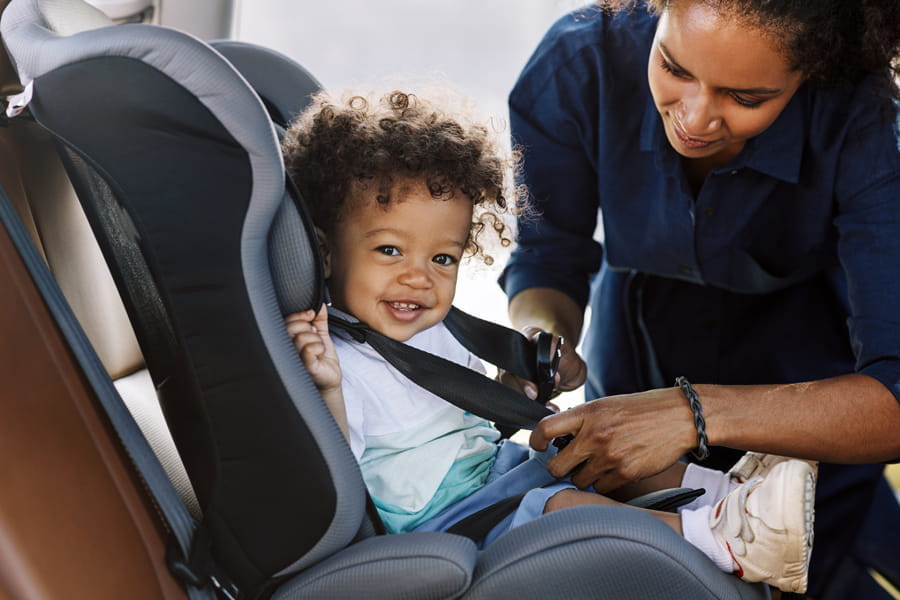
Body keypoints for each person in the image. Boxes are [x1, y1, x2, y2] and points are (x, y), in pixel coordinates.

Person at [282, 88, 818, 593]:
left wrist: (514, 384)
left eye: (442, 258)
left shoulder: (433, 327)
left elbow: (467, 417)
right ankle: (725, 539)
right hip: (446, 518)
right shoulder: (336, 359)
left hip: (495, 473)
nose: (419, 278)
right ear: (327, 254)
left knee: (602, 443)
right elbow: (335, 481)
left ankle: (735, 497)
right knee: (561, 507)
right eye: (390, 251)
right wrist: (326, 387)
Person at [500, 0, 900, 596]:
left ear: (808, 74)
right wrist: (538, 340)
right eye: (674, 68)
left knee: (814, 565)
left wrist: (691, 413)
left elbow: (893, 394)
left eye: (745, 98)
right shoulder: (580, 62)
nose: (694, 118)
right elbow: (547, 258)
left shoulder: (860, 115)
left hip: (808, 380)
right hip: (635, 350)